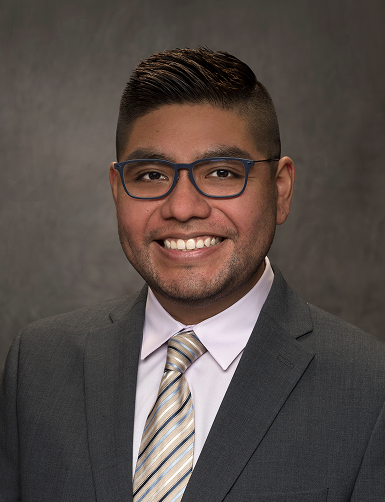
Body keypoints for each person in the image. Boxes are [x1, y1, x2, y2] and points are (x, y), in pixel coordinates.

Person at [1, 48, 384, 502]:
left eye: (222, 172)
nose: (182, 208)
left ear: (281, 190)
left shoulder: (369, 388)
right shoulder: (38, 367)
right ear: (116, 189)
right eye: (149, 175)